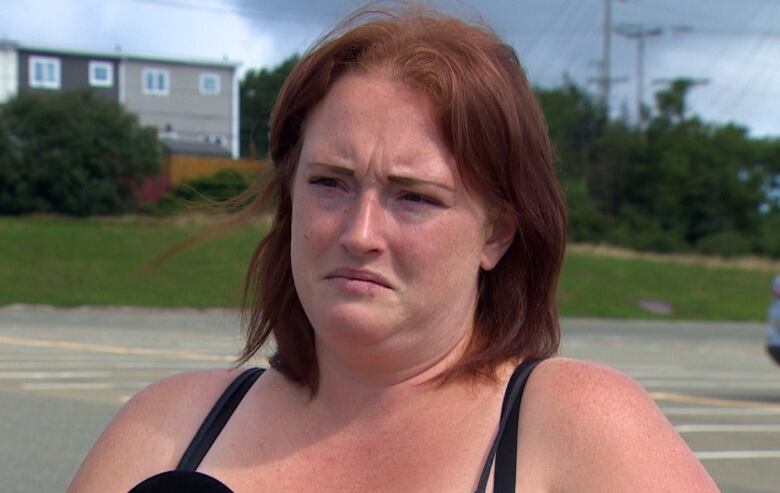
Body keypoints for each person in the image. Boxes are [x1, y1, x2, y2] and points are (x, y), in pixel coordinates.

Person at [68, 4, 718, 492]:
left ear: (496, 233)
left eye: (414, 197)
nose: (359, 232)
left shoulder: (584, 429)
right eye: (329, 183)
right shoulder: (165, 431)